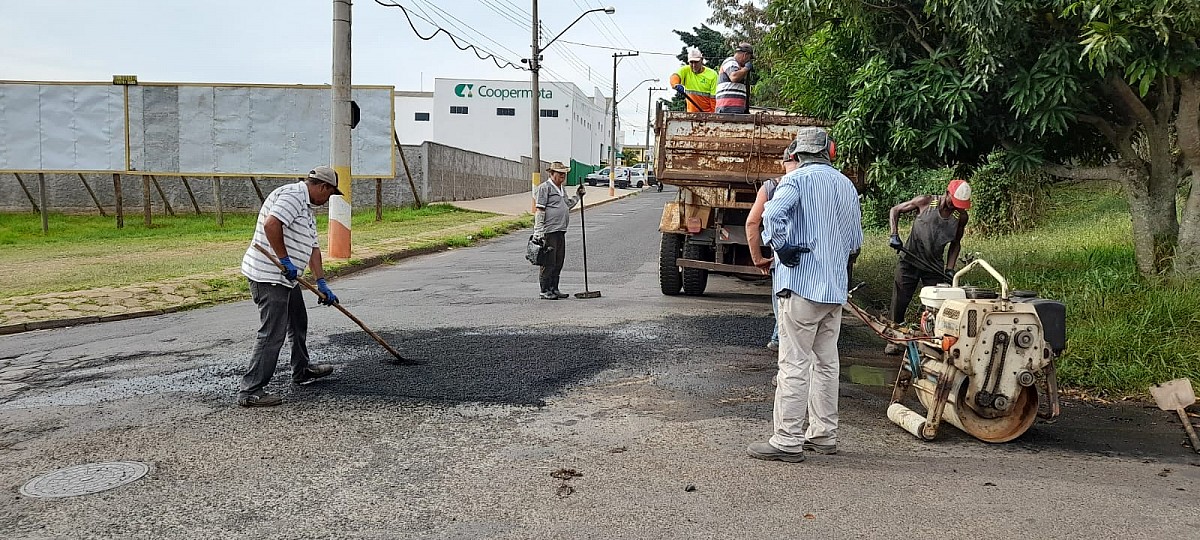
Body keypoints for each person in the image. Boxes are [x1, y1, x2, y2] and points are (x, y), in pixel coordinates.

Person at [748, 127, 862, 462]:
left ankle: (787, 441)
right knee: (826, 363)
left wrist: (782, 248)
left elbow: (771, 216)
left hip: (801, 287)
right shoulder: (846, 185)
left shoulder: (795, 181)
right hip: (834, 292)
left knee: (794, 363)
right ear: (831, 151)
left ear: (797, 154)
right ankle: (824, 436)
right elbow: (855, 241)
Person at [237, 166, 343, 407]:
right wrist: (284, 259)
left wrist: (321, 282)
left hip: (287, 277)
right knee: (272, 333)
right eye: (329, 194)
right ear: (323, 187)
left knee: (298, 322)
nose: (327, 200)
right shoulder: (293, 196)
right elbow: (272, 225)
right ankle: (251, 391)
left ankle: (301, 370)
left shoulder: (306, 209)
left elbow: (313, 248)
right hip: (269, 275)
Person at [883, 180, 971, 355]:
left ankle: (930, 343)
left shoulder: (959, 217)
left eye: (959, 205)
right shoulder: (926, 202)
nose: (955, 207)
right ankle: (894, 339)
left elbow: (956, 244)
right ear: (947, 193)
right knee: (900, 301)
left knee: (935, 307)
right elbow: (895, 210)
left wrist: (950, 268)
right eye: (953, 202)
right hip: (909, 260)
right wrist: (894, 235)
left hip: (933, 266)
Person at [534, 161, 585, 300]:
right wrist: (538, 231)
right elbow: (540, 210)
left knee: (558, 261)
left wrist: (578, 196)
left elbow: (567, 205)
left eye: (564, 174)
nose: (563, 176)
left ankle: (554, 288)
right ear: (551, 174)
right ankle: (544, 290)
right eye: (560, 174)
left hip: (561, 230)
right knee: (548, 262)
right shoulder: (545, 188)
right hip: (549, 230)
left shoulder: (562, 189)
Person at [746, 177, 780, 351]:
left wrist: (758, 259)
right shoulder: (827, 182)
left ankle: (780, 338)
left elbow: (752, 222)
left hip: (783, 260)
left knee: (783, 302)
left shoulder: (772, 187)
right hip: (818, 260)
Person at [669, 46, 718, 113]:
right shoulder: (686, 70)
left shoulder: (712, 75)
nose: (694, 65)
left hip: (707, 114)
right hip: (691, 114)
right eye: (691, 62)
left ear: (702, 60)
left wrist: (712, 117)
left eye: (696, 62)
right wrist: (676, 84)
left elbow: (713, 99)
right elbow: (675, 76)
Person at [715, 42, 754, 114]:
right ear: (745, 55)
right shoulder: (731, 61)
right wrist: (746, 68)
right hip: (727, 109)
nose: (749, 61)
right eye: (749, 58)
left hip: (734, 109)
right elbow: (734, 77)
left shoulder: (739, 67)